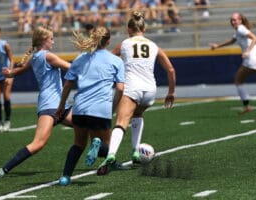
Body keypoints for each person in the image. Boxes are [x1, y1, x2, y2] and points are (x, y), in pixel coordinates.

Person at [97, 10, 176, 175]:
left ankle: (111, 155)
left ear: (129, 29)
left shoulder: (124, 44)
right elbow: (170, 70)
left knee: (121, 122)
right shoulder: (154, 46)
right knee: (138, 115)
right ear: (144, 29)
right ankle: (135, 152)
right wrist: (171, 92)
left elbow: (108, 60)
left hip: (132, 87)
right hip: (150, 90)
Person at [0, 26, 73, 179]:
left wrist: (11, 73)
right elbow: (71, 67)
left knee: (88, 126)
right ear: (43, 41)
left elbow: (21, 70)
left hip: (61, 105)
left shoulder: (35, 56)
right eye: (51, 39)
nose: (53, 42)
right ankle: (3, 170)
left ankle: (108, 155)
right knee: (38, 144)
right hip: (50, 106)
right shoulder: (48, 56)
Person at [56, 26, 125, 186]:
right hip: (101, 109)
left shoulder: (80, 58)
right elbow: (120, 88)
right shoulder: (116, 61)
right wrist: (113, 108)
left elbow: (67, 85)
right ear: (108, 41)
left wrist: (61, 106)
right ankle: (100, 147)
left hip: (80, 108)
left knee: (78, 144)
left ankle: (65, 176)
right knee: (107, 147)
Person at [210, 12, 256, 114]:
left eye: (235, 20)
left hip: (251, 58)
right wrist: (217, 46)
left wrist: (247, 51)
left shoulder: (241, 29)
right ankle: (247, 106)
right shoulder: (239, 30)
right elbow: (232, 41)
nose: (233, 22)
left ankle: (247, 106)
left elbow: (255, 38)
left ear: (240, 20)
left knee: (238, 81)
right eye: (232, 20)